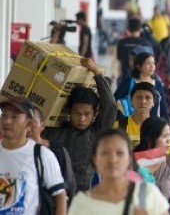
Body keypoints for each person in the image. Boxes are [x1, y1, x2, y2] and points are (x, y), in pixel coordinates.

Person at [43, 58, 117, 192]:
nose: (82, 119)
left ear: (95, 113)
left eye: (87, 114)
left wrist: (96, 72)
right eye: (77, 113)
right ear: (68, 111)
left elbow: (110, 105)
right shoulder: (54, 130)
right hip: (54, 188)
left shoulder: (97, 132)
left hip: (82, 192)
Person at [68, 129, 169, 215]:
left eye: (120, 153)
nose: (112, 159)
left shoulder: (146, 193)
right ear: (94, 159)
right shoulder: (82, 203)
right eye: (105, 153)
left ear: (129, 159)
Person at [0, 97, 67, 214]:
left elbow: (60, 195)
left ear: (28, 123)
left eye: (14, 116)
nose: (7, 121)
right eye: (4, 115)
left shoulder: (41, 155)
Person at [29, 107, 76, 204]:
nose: (28, 128)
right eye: (24, 123)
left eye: (32, 123)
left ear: (42, 125)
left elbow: (69, 183)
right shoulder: (12, 150)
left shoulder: (57, 150)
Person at [133, 117, 170, 199]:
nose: (169, 141)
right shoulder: (131, 164)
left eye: (169, 136)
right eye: (165, 136)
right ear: (149, 140)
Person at [114, 52, 169, 121]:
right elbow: (114, 100)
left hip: (153, 126)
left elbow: (163, 108)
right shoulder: (128, 82)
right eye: (148, 63)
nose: (152, 66)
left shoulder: (158, 84)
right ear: (138, 66)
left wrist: (166, 124)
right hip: (131, 124)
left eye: (153, 63)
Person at [114, 82, 158, 149]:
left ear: (153, 102)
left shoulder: (160, 129)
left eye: (148, 97)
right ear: (131, 101)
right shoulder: (118, 126)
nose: (143, 101)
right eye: (139, 97)